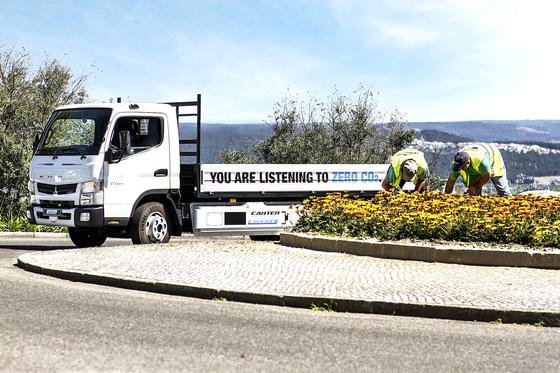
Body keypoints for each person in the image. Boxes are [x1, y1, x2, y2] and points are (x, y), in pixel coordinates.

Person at [445, 143, 512, 196]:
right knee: (472, 193)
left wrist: (476, 187)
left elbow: (487, 175)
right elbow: (450, 182)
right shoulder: (457, 164)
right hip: (477, 157)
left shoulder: (481, 161)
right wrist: (446, 197)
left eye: (462, 167)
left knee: (503, 190)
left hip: (493, 156)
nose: (461, 169)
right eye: (459, 168)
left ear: (468, 162)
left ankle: (511, 204)